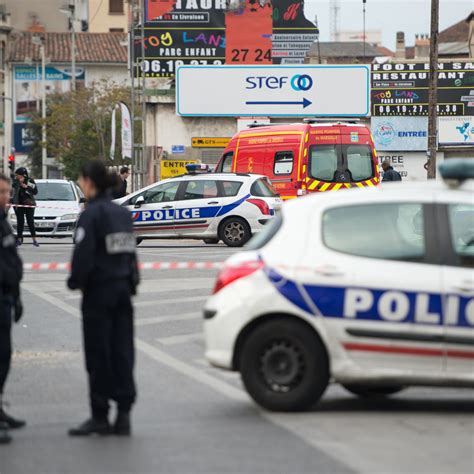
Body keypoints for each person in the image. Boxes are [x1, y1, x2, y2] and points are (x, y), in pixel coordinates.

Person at [67, 160, 139, 437]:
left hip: (99, 294)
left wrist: (76, 282)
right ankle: (123, 414)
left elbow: (83, 258)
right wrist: (132, 283)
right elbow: (130, 253)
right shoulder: (121, 214)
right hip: (123, 291)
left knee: (99, 353)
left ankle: (100, 415)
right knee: (122, 352)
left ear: (89, 182)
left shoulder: (91, 215)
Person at [0, 173, 26, 445]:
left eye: (8, 192)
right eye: (2, 192)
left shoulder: (4, 223)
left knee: (4, 357)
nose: (6, 197)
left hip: (6, 298)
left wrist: (16, 297)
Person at [12, 167, 39, 247]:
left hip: (29, 204)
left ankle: (34, 240)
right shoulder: (15, 181)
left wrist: (26, 187)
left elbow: (35, 192)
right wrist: (19, 183)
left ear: (22, 175)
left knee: (30, 221)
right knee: (20, 222)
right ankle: (19, 239)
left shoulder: (30, 181)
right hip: (19, 204)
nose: (16, 176)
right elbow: (14, 186)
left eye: (17, 175)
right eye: (16, 175)